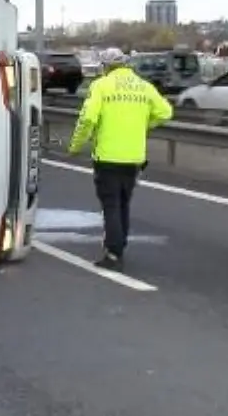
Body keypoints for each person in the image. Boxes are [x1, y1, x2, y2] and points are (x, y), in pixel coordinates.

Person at [66, 53, 172, 271]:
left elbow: (87, 119)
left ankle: (113, 253)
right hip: (134, 157)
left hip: (108, 156)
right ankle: (120, 244)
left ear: (106, 67)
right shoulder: (143, 86)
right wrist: (144, 125)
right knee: (123, 202)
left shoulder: (101, 86)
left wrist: (75, 146)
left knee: (111, 204)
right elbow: (165, 112)